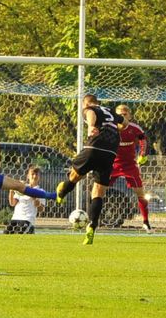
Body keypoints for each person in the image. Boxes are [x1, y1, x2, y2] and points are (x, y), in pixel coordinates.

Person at [56, 94, 128, 245]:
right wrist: (115, 130)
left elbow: (90, 114)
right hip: (110, 152)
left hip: (94, 147)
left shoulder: (89, 108)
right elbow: (125, 123)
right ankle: (92, 226)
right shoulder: (110, 111)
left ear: (86, 103)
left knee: (74, 176)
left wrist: (91, 126)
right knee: (98, 193)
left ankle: (62, 192)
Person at [110, 104, 152, 233]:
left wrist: (142, 154)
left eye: (125, 114)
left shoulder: (135, 128)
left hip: (130, 165)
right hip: (112, 164)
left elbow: (143, 140)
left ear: (129, 116)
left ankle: (146, 222)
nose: (122, 117)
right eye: (119, 115)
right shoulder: (110, 128)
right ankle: (92, 219)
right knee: (98, 190)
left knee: (140, 193)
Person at [4, 166, 46, 234]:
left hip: (27, 219)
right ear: (28, 176)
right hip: (15, 218)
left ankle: (30, 230)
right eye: (32, 174)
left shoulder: (41, 191)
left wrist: (35, 199)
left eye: (36, 174)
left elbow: (41, 209)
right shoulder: (22, 187)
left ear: (39, 177)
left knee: (19, 235)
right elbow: (12, 203)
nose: (34, 176)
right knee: (5, 235)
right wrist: (11, 191)